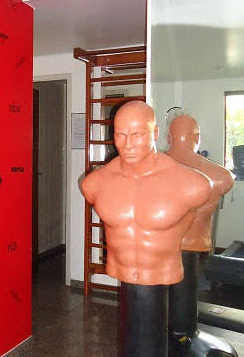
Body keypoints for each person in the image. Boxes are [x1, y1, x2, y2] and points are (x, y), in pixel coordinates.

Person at [79, 101, 211, 285]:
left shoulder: (193, 184)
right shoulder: (93, 183)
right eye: (120, 135)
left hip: (165, 275)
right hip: (118, 271)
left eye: (137, 135)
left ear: (155, 133)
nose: (128, 145)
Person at [166, 115, 234, 252]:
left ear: (169, 139)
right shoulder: (224, 177)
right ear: (197, 138)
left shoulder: (149, 170)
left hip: (160, 247)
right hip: (197, 246)